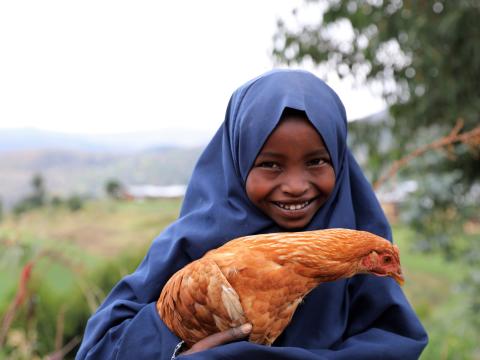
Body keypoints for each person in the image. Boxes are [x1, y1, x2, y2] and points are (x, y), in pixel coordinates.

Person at [76, 69, 428, 359]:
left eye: (316, 162)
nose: (295, 185)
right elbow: (102, 348)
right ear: (238, 163)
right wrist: (179, 353)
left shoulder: (360, 243)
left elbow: (396, 342)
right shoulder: (191, 242)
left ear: (339, 161)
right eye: (270, 164)